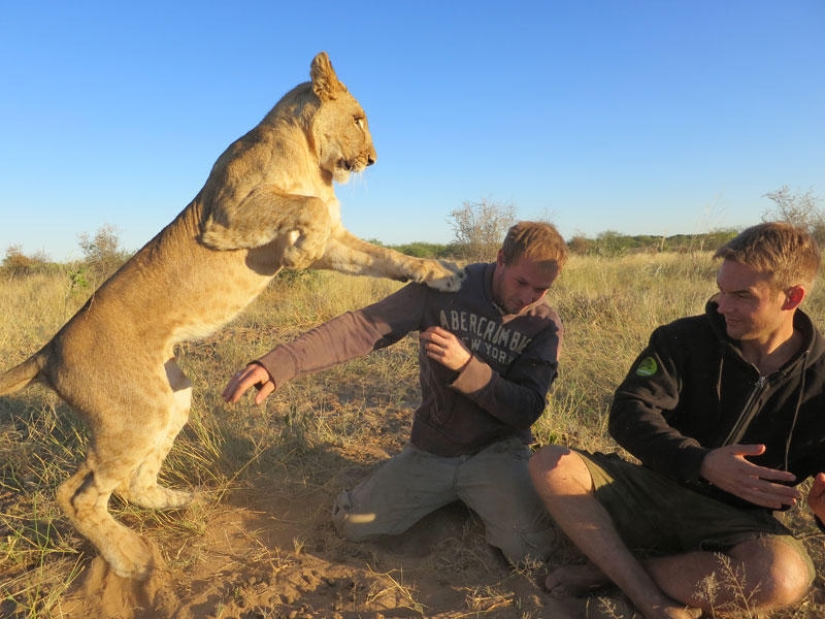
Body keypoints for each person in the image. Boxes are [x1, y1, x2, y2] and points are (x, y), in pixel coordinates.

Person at [223, 221, 568, 564]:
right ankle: (450, 495)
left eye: (541, 289)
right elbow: (364, 327)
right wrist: (281, 363)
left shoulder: (543, 325)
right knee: (351, 523)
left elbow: (526, 409)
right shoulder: (446, 286)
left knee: (531, 551)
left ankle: (478, 494)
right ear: (501, 259)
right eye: (521, 282)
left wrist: (467, 366)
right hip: (436, 447)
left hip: (497, 451)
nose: (527, 297)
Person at [529, 221, 825, 619]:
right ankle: (650, 598)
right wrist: (701, 462)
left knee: (784, 577)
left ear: (793, 297)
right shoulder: (682, 338)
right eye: (721, 289)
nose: (722, 305)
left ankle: (611, 572)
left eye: (741, 296)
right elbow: (628, 411)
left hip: (737, 523)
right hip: (652, 489)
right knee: (550, 462)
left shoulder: (821, 380)